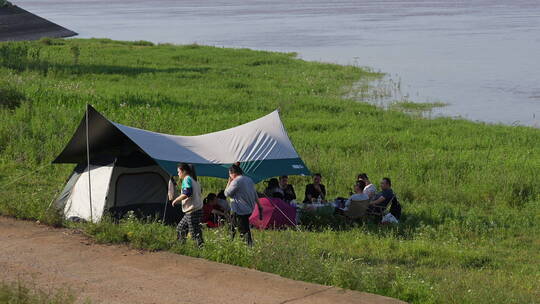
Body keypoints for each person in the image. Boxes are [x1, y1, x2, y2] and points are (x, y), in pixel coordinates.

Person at [224, 164, 263, 246]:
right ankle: (227, 243)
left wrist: (229, 181)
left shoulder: (236, 181)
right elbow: (255, 194)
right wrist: (259, 206)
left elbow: (226, 193)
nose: (230, 176)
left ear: (233, 173)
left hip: (240, 210)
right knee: (232, 227)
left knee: (244, 231)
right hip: (249, 209)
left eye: (229, 174)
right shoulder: (249, 180)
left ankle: (249, 247)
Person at [171, 163, 204, 247]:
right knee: (180, 228)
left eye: (178, 171)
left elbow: (187, 193)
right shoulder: (195, 180)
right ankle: (180, 246)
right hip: (193, 210)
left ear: (184, 171)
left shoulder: (187, 179)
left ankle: (200, 249)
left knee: (194, 234)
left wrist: (176, 200)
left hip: (193, 211)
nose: (178, 173)